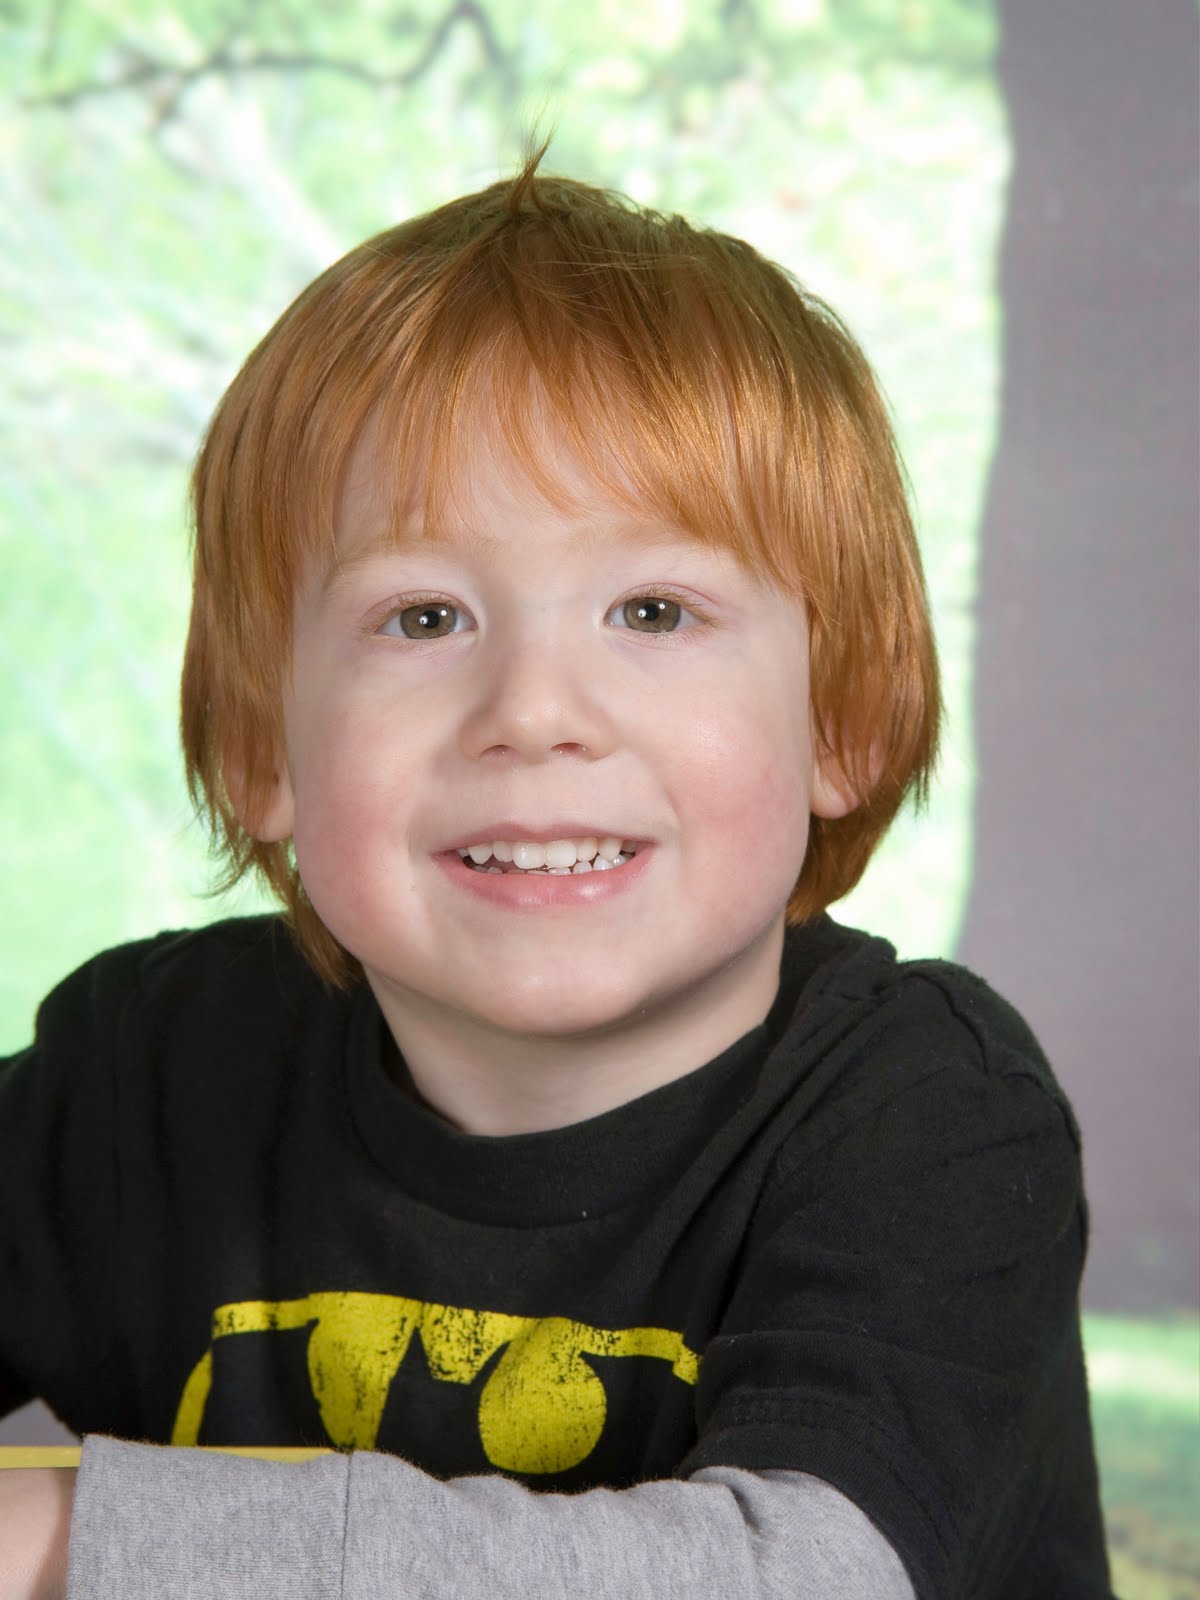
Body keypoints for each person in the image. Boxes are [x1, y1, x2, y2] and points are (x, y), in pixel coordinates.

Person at [0, 147, 1112, 1598]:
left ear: (838, 720)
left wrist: (68, 1538)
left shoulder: (926, 1115)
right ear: (264, 743)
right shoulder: (148, 1076)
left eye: (653, 610)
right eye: (423, 618)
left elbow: (812, 1575)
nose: (533, 711)